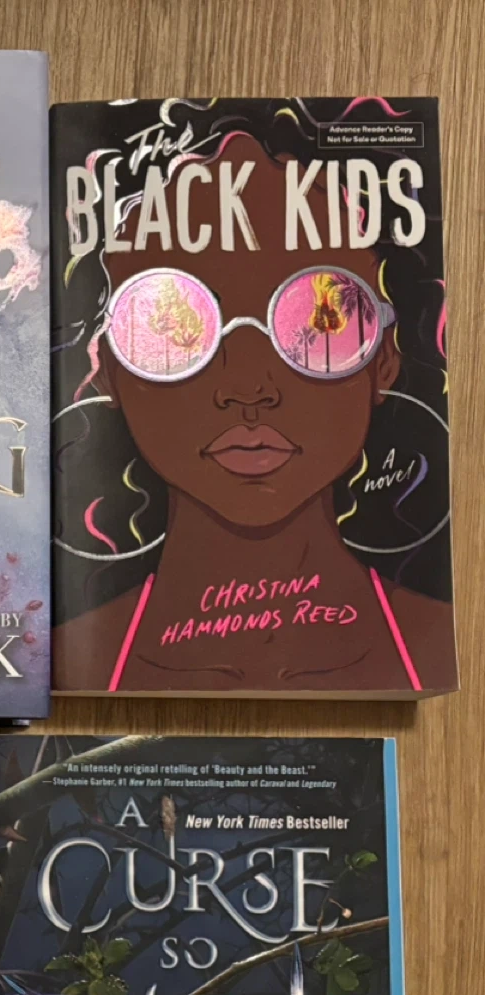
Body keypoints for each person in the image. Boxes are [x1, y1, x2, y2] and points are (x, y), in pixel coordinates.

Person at [54, 133, 454, 693]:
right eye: (173, 327)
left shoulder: (440, 647)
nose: (249, 389)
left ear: (383, 362)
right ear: (109, 370)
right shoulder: (62, 661)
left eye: (317, 323)